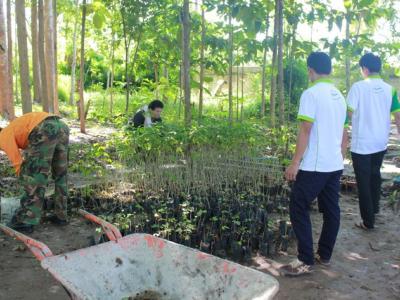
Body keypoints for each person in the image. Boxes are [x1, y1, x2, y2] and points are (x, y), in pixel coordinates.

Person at [281, 52, 348, 276]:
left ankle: (305, 259)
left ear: (311, 70)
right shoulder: (339, 95)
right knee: (331, 210)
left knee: (298, 206)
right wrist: (341, 156)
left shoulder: (311, 94)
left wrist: (295, 162)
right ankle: (324, 255)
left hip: (316, 165)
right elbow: (344, 133)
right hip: (334, 164)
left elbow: (305, 130)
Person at [347, 53, 400, 230]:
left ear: (365, 69)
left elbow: (348, 113)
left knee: (363, 182)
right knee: (374, 175)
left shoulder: (358, 87)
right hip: (380, 142)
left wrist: (340, 133)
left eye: (362, 69)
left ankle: (367, 221)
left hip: (362, 143)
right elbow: (398, 116)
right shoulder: (389, 89)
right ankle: (374, 209)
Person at [0, 112, 70, 232]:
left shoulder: (3, 136)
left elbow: (17, 162)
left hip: (45, 128)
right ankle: (61, 215)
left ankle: (26, 221)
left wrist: (24, 179)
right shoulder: (12, 129)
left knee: (35, 175)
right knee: (61, 174)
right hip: (61, 126)